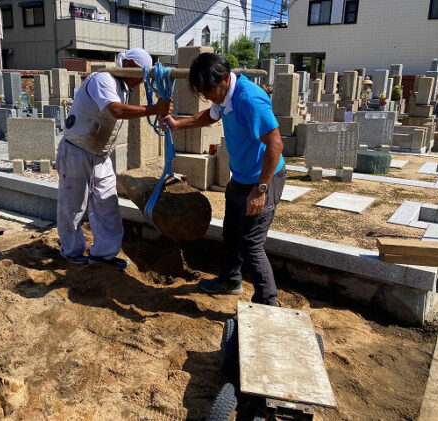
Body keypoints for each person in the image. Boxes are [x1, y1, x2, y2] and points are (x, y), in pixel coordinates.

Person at [162, 53, 285, 306]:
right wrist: (178, 124)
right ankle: (230, 280)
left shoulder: (249, 99)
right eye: (203, 92)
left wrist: (261, 190)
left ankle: (268, 302)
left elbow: (275, 145)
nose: (208, 96)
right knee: (230, 234)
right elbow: (210, 115)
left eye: (210, 90)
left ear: (226, 79)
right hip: (240, 178)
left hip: (264, 179)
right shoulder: (223, 96)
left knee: (251, 244)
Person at [57, 48, 173, 269]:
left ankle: (104, 254)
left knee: (107, 204)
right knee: (73, 205)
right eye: (140, 74)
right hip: (77, 149)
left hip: (100, 154)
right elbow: (116, 110)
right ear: (128, 64)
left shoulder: (122, 86)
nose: (142, 81)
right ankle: (71, 251)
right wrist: (154, 109)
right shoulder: (103, 79)